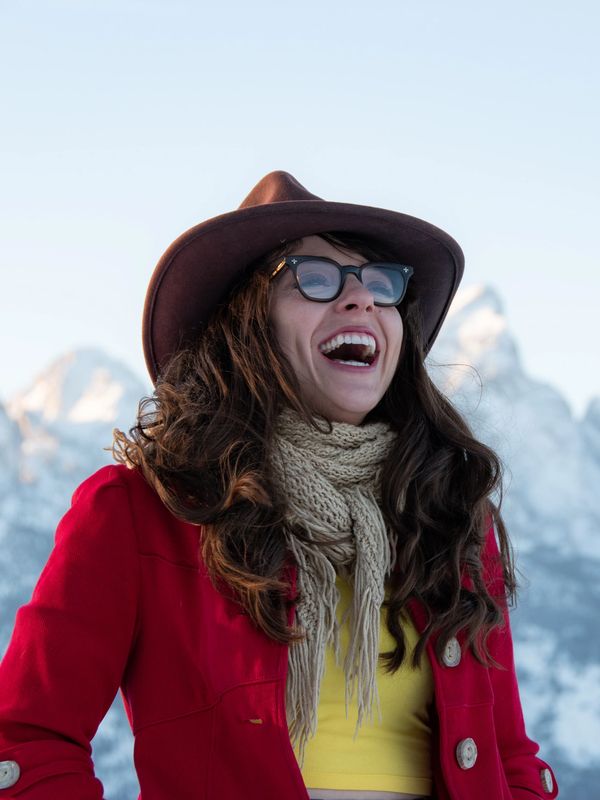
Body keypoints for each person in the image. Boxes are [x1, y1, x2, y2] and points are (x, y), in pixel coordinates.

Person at [0, 171, 559, 800]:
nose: (361, 301)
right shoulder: (143, 511)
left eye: (380, 283)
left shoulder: (451, 515)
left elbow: (510, 757)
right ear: (243, 323)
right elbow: (26, 740)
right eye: (315, 278)